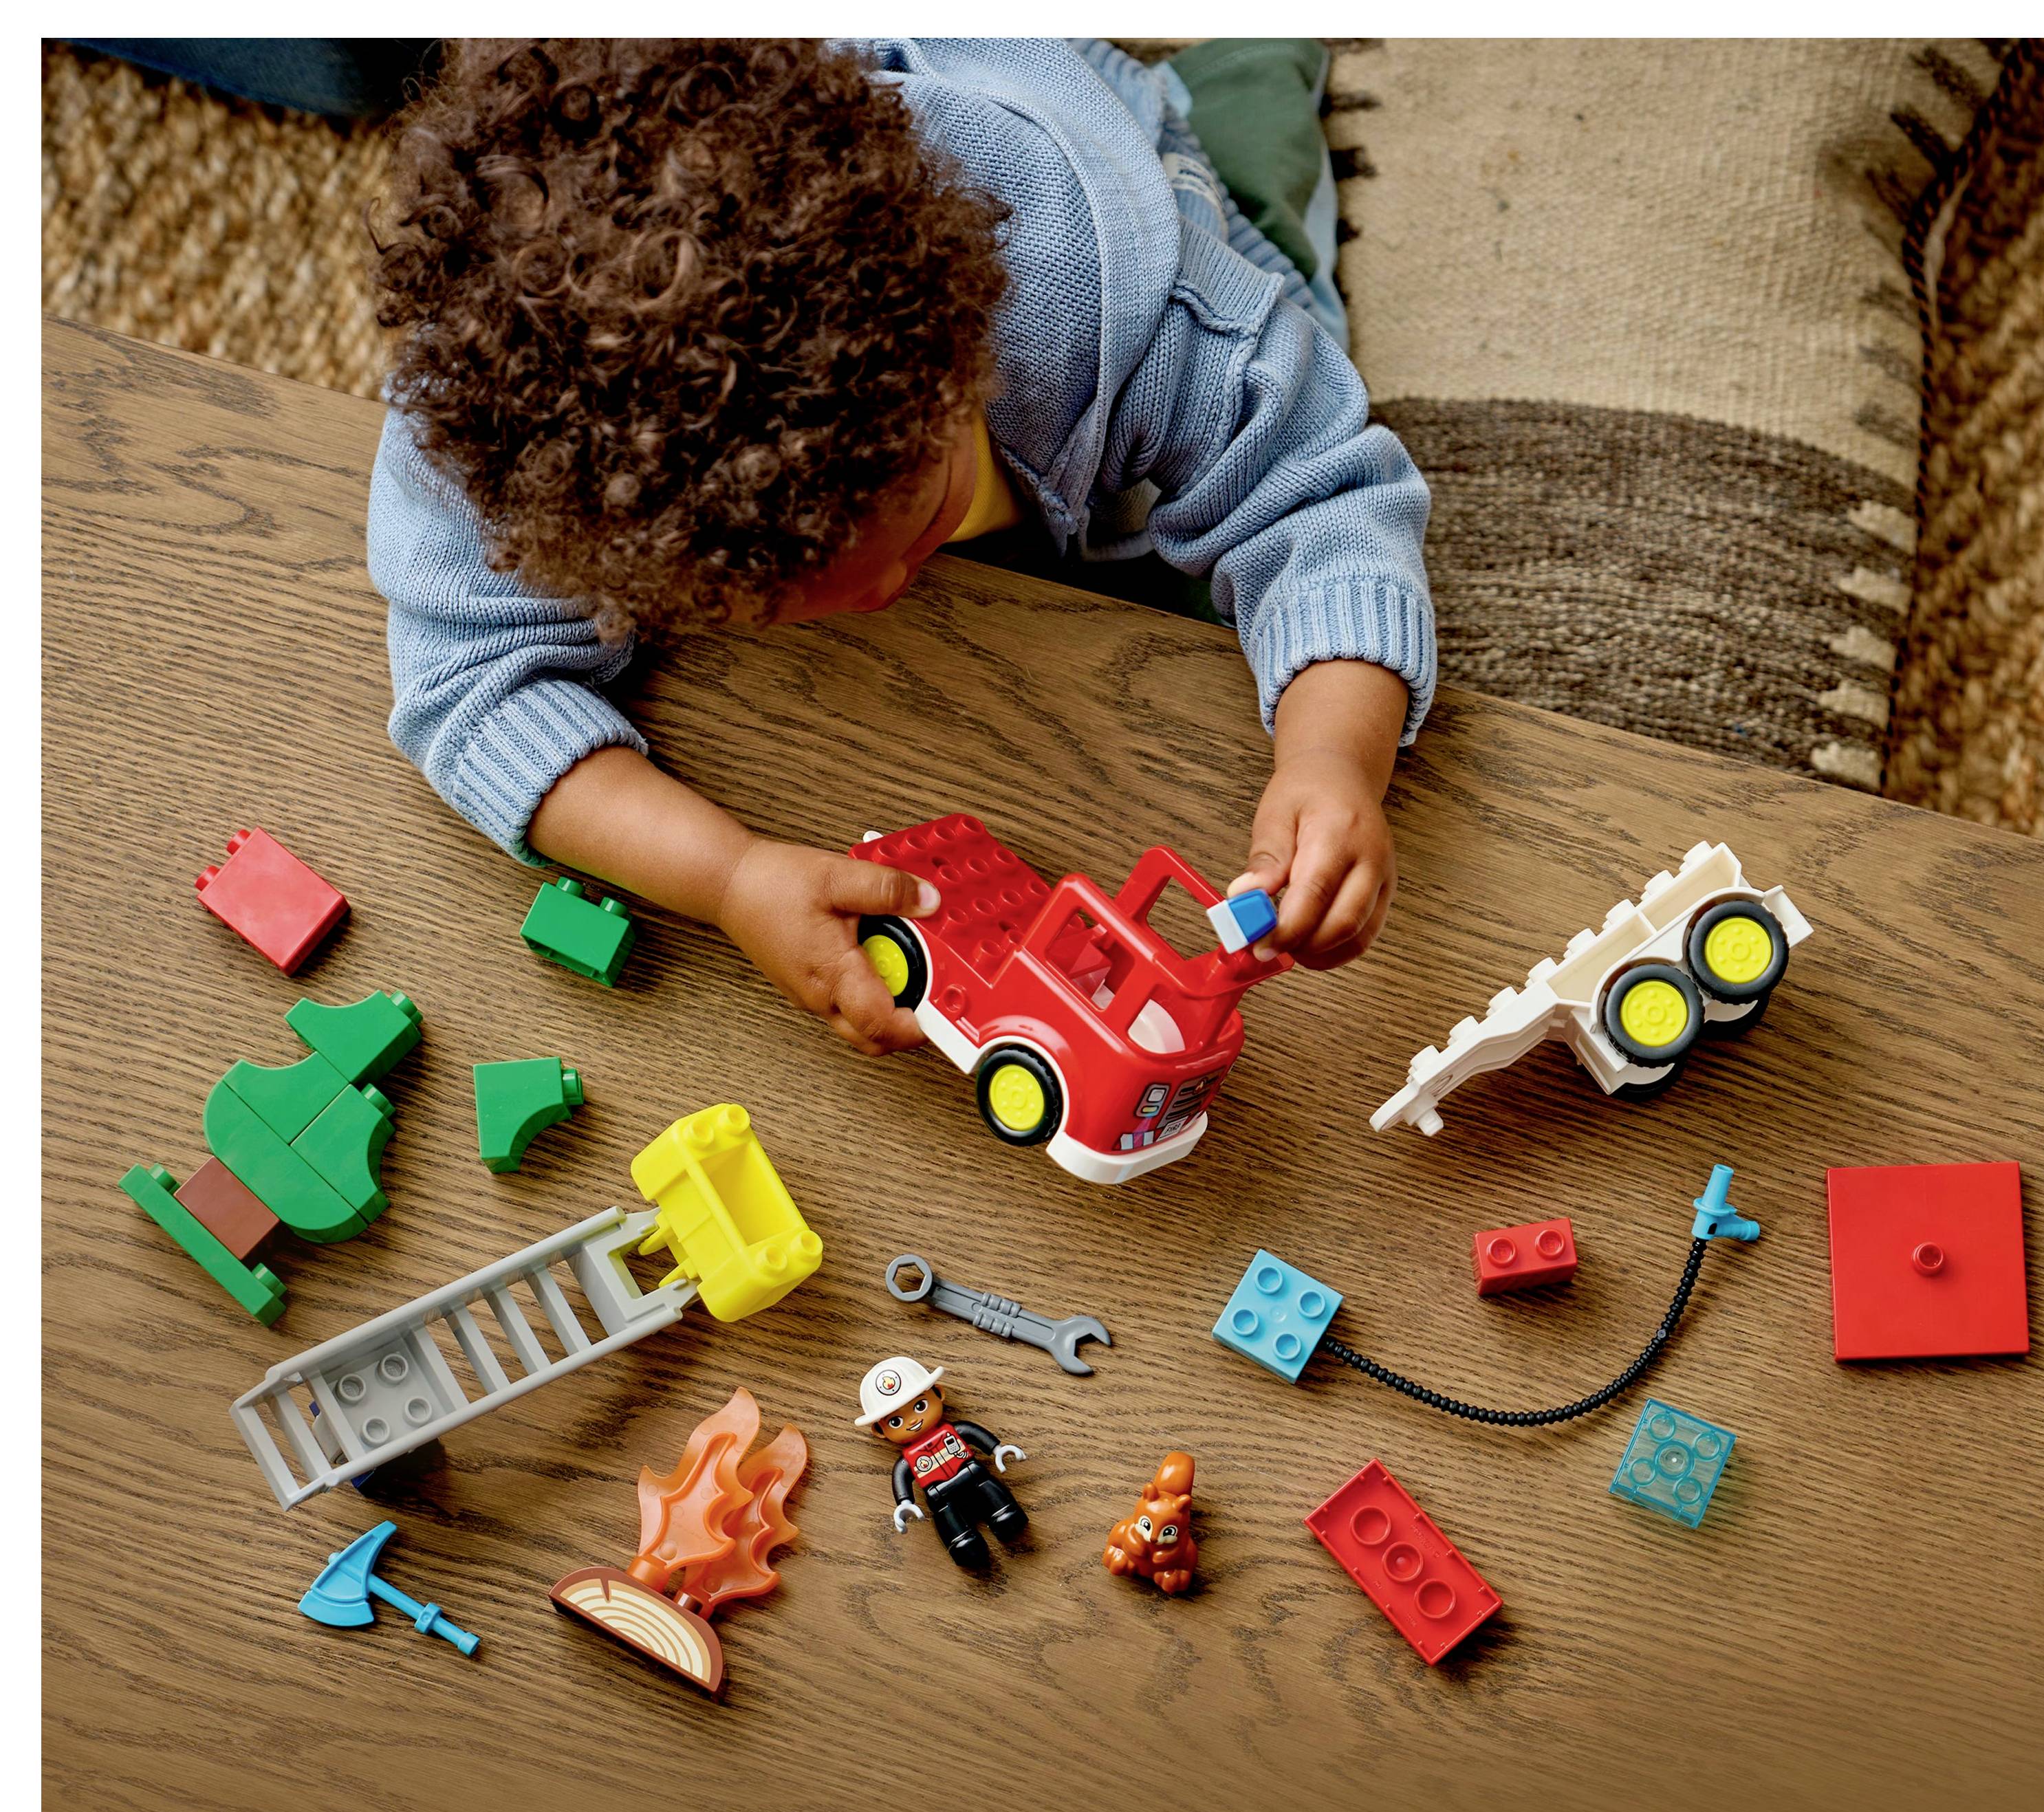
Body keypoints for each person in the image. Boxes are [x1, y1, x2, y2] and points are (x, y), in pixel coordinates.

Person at [369, 39, 1434, 1057]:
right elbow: (469, 686)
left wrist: (1332, 757)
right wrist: (728, 876)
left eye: (922, 516)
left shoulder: (1092, 285)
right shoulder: (500, 452)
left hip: (1087, 158)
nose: (886, 593)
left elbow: (1322, 492)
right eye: (780, 603)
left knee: (1277, 302)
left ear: (963, 348)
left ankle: (1225, 92)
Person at [856, 1357, 1029, 1571]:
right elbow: (901, 1477)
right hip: (940, 1497)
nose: (912, 1421)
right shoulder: (906, 1461)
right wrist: (905, 1503)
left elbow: (973, 1433)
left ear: (938, 1394)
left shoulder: (955, 1431)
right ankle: (962, 1543)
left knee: (1007, 1517)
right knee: (957, 1535)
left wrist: (997, 1449)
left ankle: (1004, 1514)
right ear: (880, 1431)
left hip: (974, 1476)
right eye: (895, 1422)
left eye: (920, 1405)